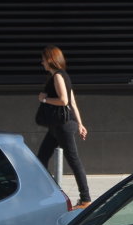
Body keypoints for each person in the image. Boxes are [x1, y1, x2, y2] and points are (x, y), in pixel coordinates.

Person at [35, 45, 91, 207]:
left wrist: (43, 99)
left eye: (44, 59)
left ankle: (85, 198)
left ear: (50, 60)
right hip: (59, 125)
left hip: (62, 125)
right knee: (42, 158)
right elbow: (72, 101)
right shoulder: (63, 76)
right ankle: (49, 192)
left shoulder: (58, 77)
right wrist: (80, 123)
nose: (42, 62)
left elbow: (64, 101)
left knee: (73, 160)